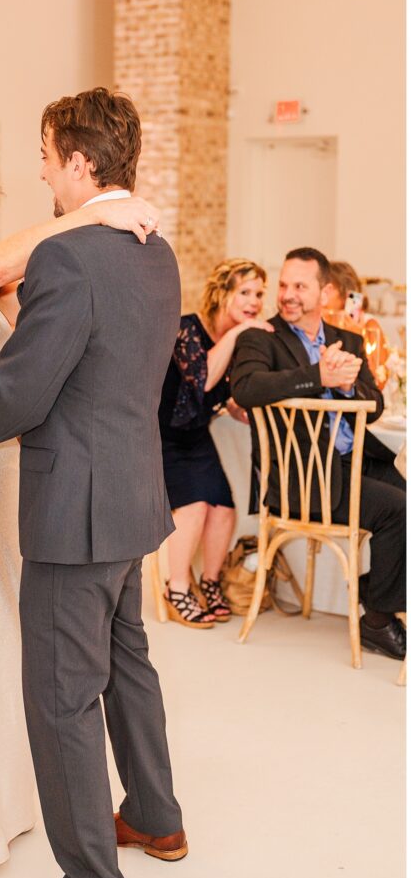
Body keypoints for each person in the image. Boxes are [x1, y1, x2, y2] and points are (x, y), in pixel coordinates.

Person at [0, 90, 185, 878]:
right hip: (133, 495)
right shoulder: (151, 246)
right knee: (127, 661)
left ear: (79, 162)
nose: (36, 168)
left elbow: (25, 390)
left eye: (45, 152)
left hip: (76, 508)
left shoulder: (70, 256)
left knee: (62, 693)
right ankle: (158, 818)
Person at [231, 247, 406, 661]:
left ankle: (372, 591)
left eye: (300, 287)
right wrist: (318, 376)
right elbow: (247, 388)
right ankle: (379, 620)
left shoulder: (348, 339)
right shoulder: (262, 337)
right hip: (303, 479)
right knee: (399, 511)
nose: (288, 295)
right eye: (284, 285)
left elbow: (375, 404)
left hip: (352, 464)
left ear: (326, 291)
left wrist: (347, 386)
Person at [159, 258, 273, 627]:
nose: (254, 301)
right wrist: (239, 335)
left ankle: (209, 582)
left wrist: (235, 405)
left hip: (197, 437)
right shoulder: (187, 329)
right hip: (163, 439)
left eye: (258, 294)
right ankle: (175, 588)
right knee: (195, 507)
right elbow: (202, 379)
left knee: (224, 508)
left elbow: (220, 393)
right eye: (245, 292)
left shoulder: (238, 339)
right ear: (222, 294)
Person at [323, 259, 389, 380]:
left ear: (347, 293)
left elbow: (379, 379)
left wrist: (358, 337)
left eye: (329, 288)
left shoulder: (369, 325)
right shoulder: (321, 323)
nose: (322, 293)